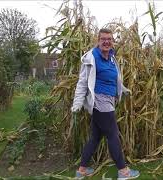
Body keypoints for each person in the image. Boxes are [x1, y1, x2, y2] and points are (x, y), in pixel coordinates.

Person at [71, 28, 140, 180]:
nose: (107, 41)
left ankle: (81, 170)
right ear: (98, 40)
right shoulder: (91, 58)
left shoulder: (111, 57)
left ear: (112, 41)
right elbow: (82, 82)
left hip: (109, 100)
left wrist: (123, 89)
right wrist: (77, 103)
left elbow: (113, 79)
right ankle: (123, 171)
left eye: (109, 39)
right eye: (103, 39)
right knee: (113, 136)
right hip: (100, 102)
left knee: (95, 138)